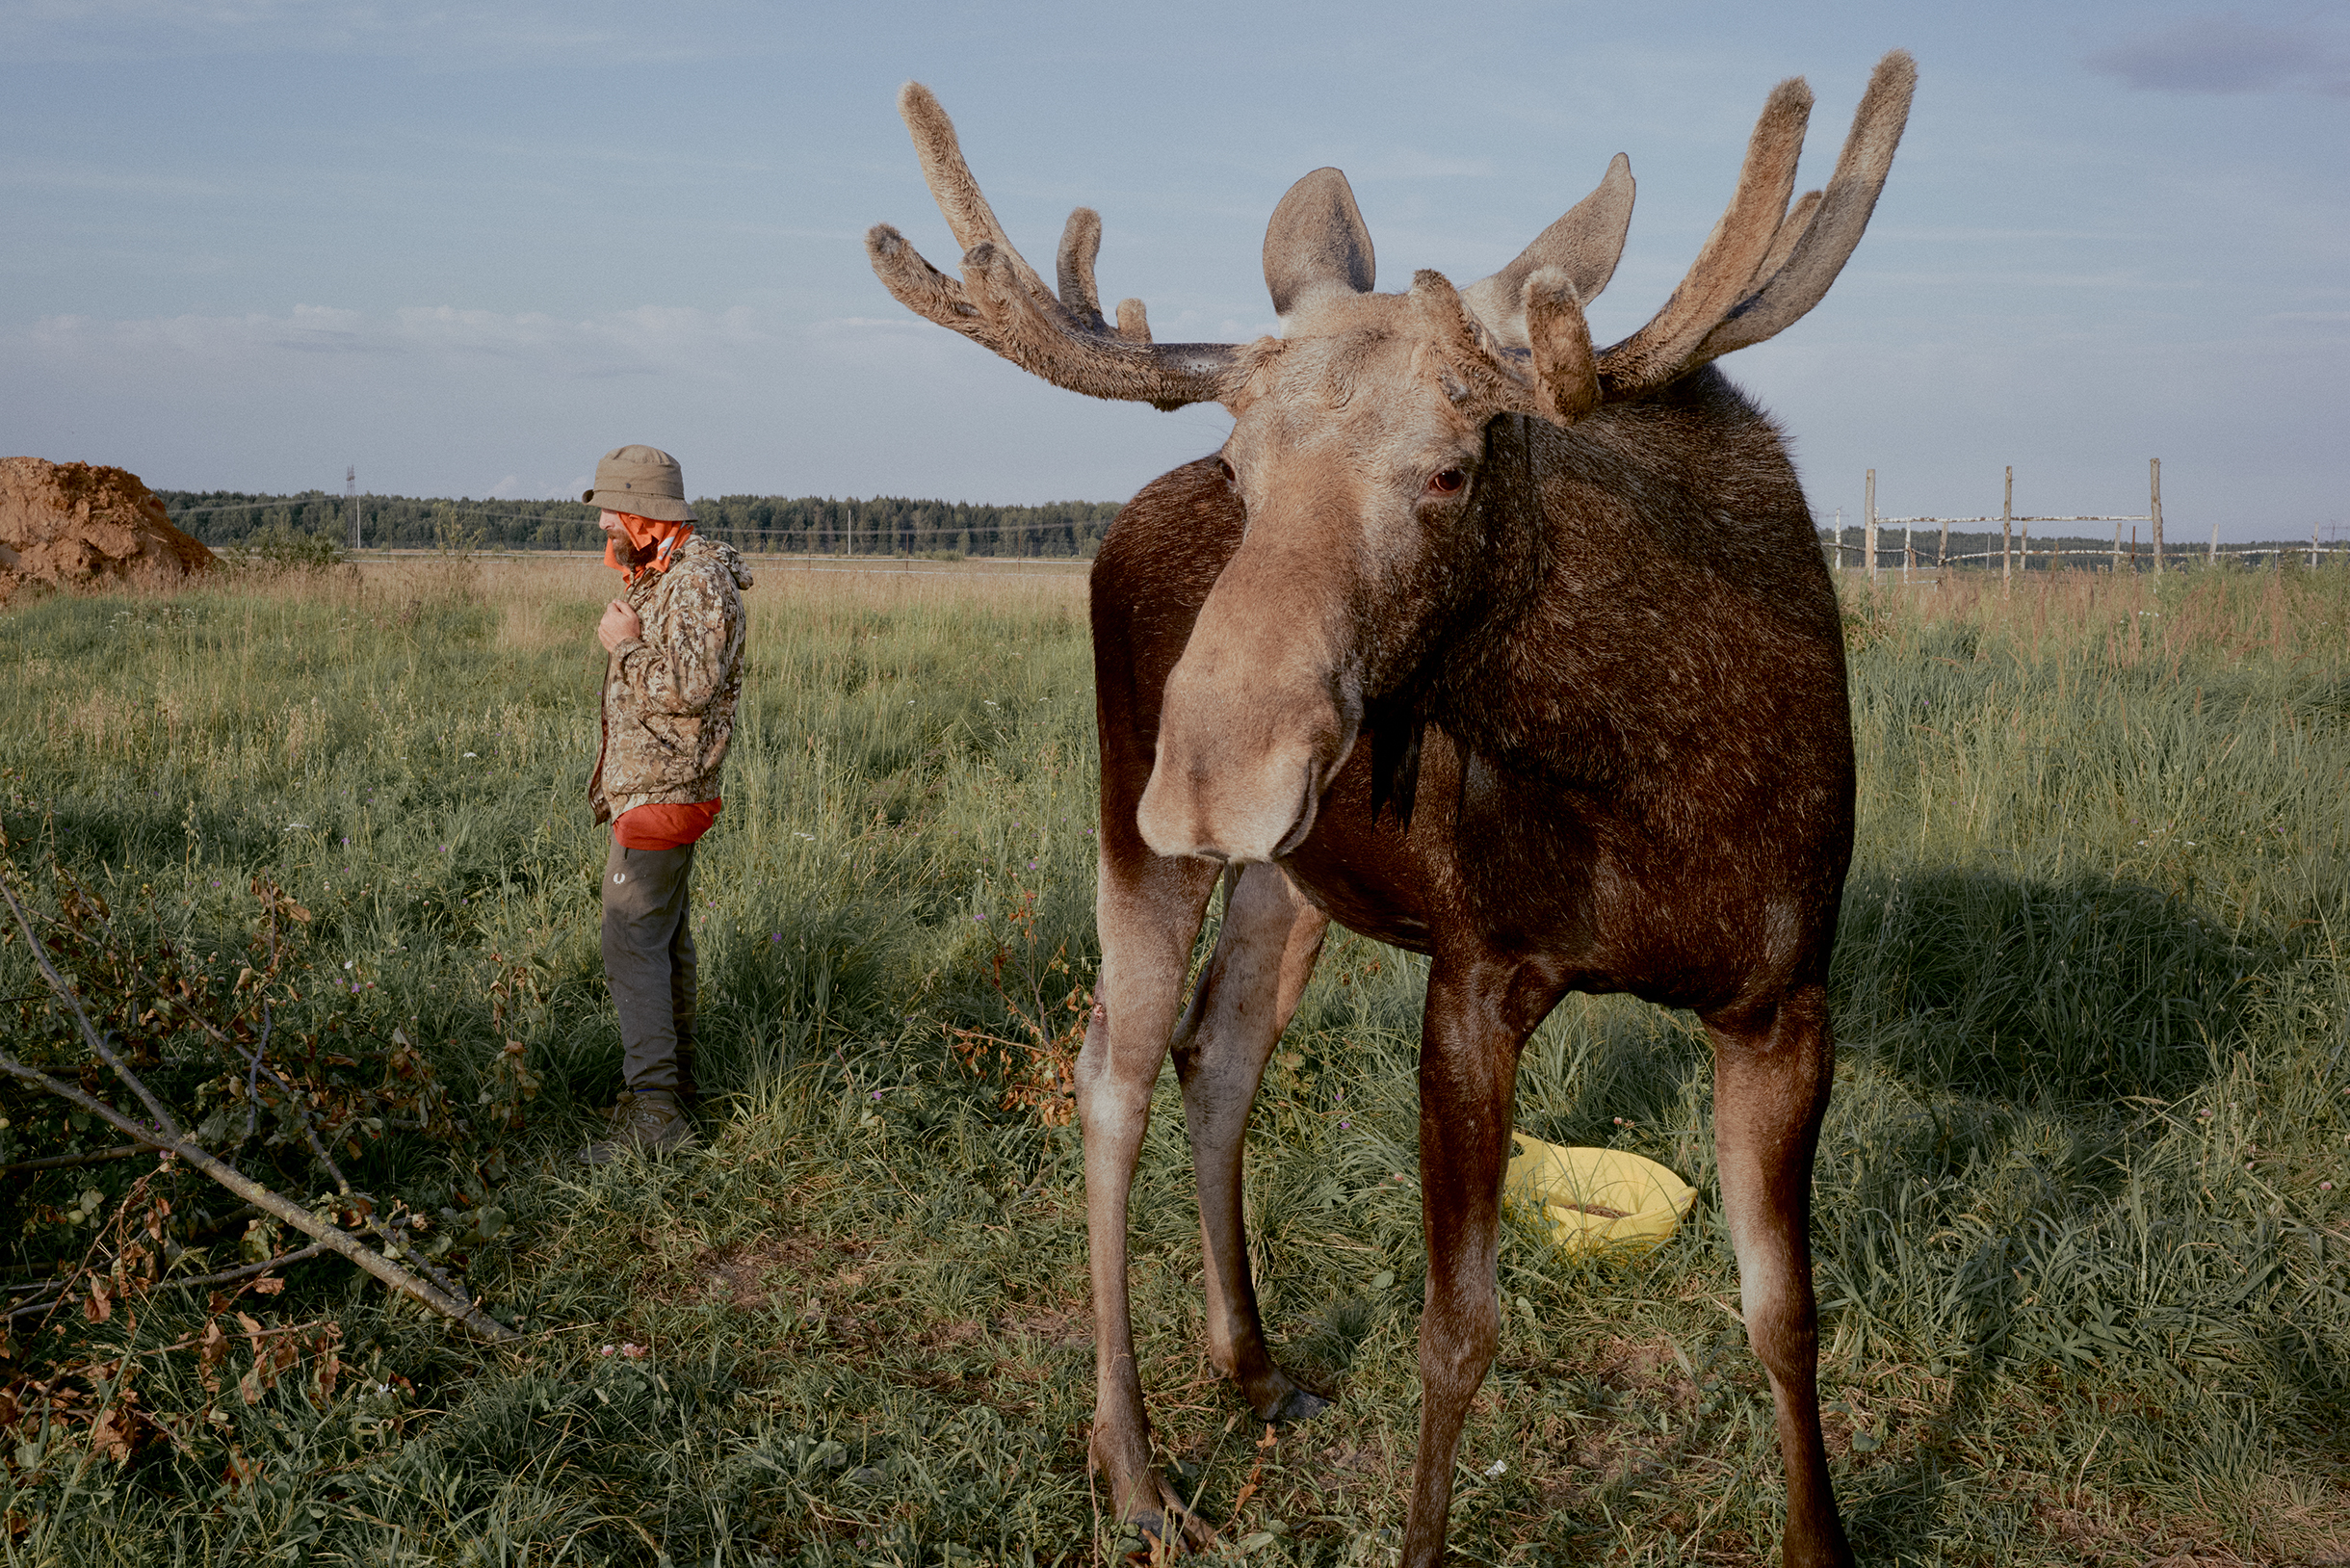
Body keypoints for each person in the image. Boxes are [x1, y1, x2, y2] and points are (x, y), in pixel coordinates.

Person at [579, 444, 753, 1163]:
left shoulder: (696, 584)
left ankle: (653, 1119)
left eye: (610, 513)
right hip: (661, 789)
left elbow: (688, 687)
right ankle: (672, 1096)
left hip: (665, 791)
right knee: (663, 943)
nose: (601, 529)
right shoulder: (669, 574)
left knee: (630, 945)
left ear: (645, 519)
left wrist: (623, 647)